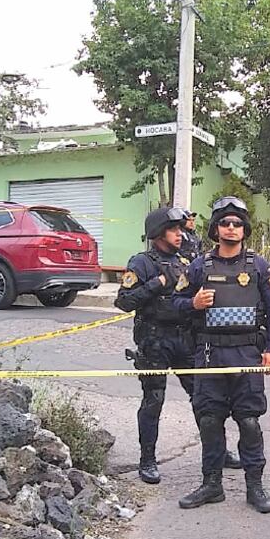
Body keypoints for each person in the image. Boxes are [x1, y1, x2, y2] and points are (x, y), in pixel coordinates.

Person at [173, 196, 270, 514]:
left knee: (249, 422)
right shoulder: (198, 267)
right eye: (225, 222)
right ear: (216, 228)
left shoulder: (260, 267)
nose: (232, 228)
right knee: (209, 421)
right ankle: (211, 485)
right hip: (209, 355)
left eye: (237, 223)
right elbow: (174, 305)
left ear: (244, 228)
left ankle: (255, 486)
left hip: (247, 355)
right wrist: (192, 304)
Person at [115, 207, 241, 484]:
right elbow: (124, 302)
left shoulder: (188, 260)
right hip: (154, 341)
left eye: (181, 229)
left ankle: (218, 452)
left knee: (203, 398)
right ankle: (147, 460)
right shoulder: (142, 262)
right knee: (153, 401)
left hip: (185, 339)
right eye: (174, 230)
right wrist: (157, 284)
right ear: (159, 233)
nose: (180, 234)